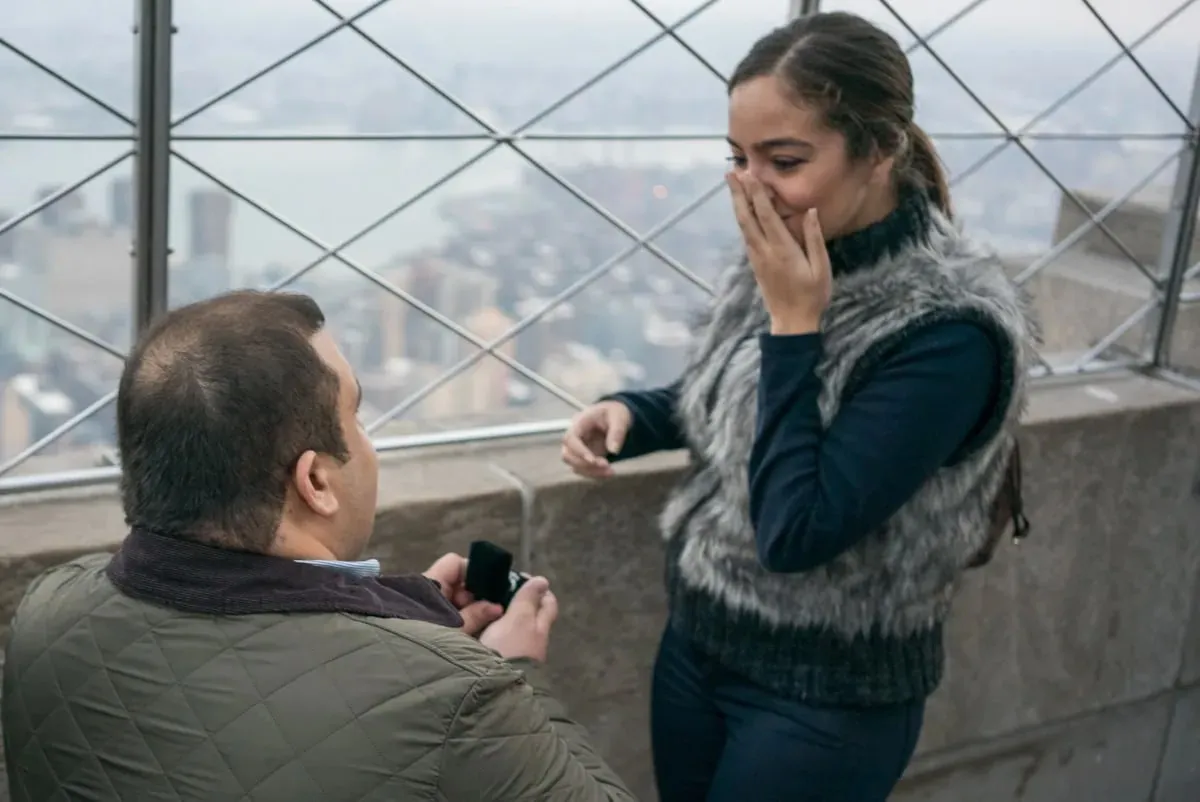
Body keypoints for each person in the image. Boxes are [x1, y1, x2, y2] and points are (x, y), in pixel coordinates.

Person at [561, 11, 1036, 802]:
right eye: (738, 157)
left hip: (826, 701)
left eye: (783, 159)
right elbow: (745, 395)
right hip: (698, 645)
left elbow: (797, 528)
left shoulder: (950, 332)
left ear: (880, 148)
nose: (752, 186)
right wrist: (635, 414)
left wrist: (794, 322)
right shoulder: (795, 252)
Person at [2, 290, 635, 802]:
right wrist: (510, 673)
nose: (366, 440)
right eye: (357, 415)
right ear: (315, 481)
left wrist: (398, 621)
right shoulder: (461, 698)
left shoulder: (45, 612)